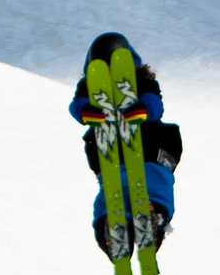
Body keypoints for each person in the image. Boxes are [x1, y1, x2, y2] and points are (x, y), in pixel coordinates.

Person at [68, 32, 179, 255]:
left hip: (149, 144)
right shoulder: (88, 86)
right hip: (109, 148)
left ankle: (154, 216)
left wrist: (143, 110)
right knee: (113, 186)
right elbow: (77, 105)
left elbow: (154, 103)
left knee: (154, 177)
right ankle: (111, 226)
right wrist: (87, 111)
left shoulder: (144, 82)